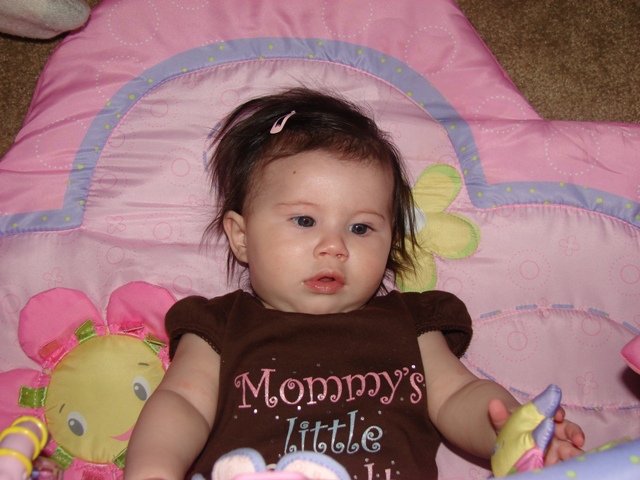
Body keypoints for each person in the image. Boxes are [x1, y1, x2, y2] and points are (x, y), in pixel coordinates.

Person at [125, 87, 585, 480]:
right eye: (305, 220)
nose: (334, 246)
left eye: (361, 228)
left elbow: (460, 396)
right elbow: (182, 403)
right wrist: (154, 469)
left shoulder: (410, 324)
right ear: (241, 237)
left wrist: (511, 432)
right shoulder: (220, 326)